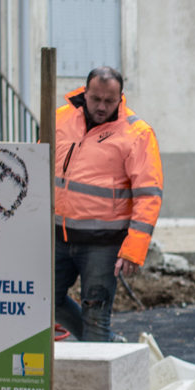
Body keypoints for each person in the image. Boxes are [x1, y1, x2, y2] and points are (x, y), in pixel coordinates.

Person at [53, 66, 163, 341]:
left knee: (96, 318)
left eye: (109, 101)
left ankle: (99, 372)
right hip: (58, 236)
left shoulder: (136, 133)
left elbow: (148, 194)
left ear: (121, 97)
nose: (101, 107)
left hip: (103, 244)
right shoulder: (60, 118)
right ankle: (110, 346)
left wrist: (134, 249)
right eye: (95, 99)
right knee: (43, 300)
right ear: (84, 92)